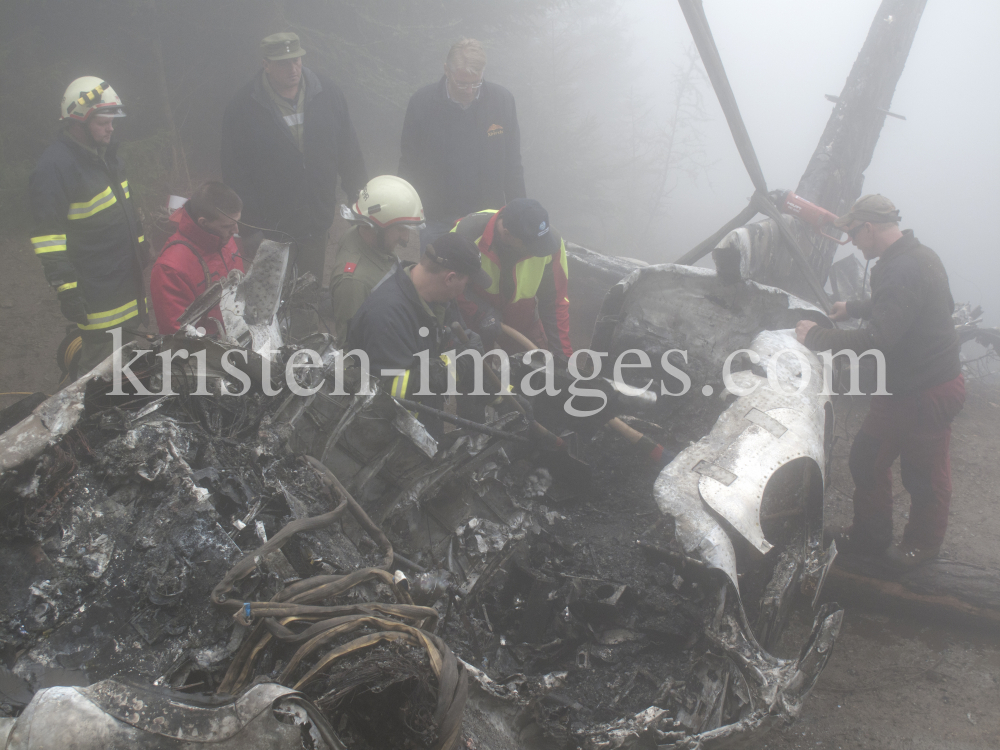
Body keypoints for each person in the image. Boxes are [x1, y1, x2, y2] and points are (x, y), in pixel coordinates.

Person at [795, 195, 964, 569]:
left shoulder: (904, 266)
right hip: (900, 387)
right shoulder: (919, 256)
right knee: (866, 458)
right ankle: (871, 536)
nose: (852, 242)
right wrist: (854, 308)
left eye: (854, 234)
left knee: (923, 474)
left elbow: (878, 338)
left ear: (869, 228)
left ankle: (922, 546)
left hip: (928, 390)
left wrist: (817, 337)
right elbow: (911, 302)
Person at [221, 32, 367, 285]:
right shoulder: (242, 107)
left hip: (315, 219)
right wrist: (248, 227)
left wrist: (360, 197)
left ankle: (308, 325)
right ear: (266, 65)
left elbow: (348, 150)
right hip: (270, 227)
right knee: (270, 300)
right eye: (283, 62)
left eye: (297, 60)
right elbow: (235, 171)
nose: (293, 68)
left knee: (307, 293)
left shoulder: (328, 93)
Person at [29, 76, 148, 377]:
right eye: (103, 122)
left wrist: (141, 245)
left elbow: (125, 211)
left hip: (125, 282)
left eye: (112, 121)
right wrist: (67, 289)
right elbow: (48, 238)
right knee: (97, 373)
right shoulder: (54, 168)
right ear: (77, 123)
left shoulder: (107, 156)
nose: (111, 128)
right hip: (96, 290)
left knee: (129, 365)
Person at [347, 233, 491, 433]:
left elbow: (450, 346)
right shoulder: (387, 315)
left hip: (422, 423)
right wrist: (458, 365)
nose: (465, 291)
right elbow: (393, 392)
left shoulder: (437, 300)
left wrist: (499, 394)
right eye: (466, 283)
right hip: (389, 440)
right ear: (450, 278)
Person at [399, 38, 525, 250]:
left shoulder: (502, 101)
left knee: (483, 281)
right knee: (437, 280)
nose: (469, 90)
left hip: (487, 218)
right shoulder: (422, 103)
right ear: (446, 70)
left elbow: (513, 164)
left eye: (476, 83)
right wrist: (400, 217)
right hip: (436, 218)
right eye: (462, 83)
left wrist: (519, 214)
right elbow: (409, 163)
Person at [452, 198, 572, 358]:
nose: (537, 251)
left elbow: (555, 302)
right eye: (531, 246)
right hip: (473, 317)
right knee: (475, 373)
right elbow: (446, 283)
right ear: (507, 235)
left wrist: (564, 357)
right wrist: (480, 311)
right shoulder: (467, 232)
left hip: (523, 320)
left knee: (538, 370)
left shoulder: (550, 243)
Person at [329, 175, 425, 342]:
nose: (406, 238)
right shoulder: (354, 283)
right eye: (401, 229)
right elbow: (353, 348)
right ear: (373, 227)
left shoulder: (360, 235)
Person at [150, 182, 244, 336]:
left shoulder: (223, 238)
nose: (236, 231)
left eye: (236, 223)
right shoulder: (170, 269)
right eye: (228, 226)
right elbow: (178, 335)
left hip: (239, 337)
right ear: (203, 223)